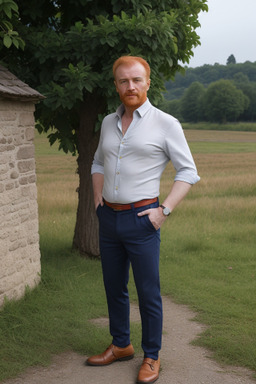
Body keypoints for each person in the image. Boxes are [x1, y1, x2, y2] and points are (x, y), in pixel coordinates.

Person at [87, 56, 200, 383]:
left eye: (136, 80)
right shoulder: (109, 122)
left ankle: (152, 356)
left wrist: (163, 211)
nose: (130, 86)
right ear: (116, 85)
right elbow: (97, 163)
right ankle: (121, 344)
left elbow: (188, 171)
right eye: (123, 81)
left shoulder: (166, 124)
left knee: (148, 292)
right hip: (108, 219)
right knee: (113, 287)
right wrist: (97, 200)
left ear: (148, 82)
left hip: (143, 220)